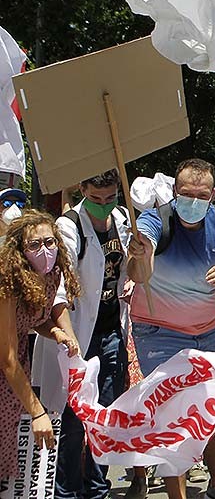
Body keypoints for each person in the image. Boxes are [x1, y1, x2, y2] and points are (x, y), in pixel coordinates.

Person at [126, 158, 215, 499]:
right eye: (186, 194)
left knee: (214, 410)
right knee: (176, 417)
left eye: (201, 195)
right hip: (159, 333)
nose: (193, 202)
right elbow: (140, 274)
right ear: (173, 192)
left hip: (209, 332)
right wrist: (138, 254)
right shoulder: (154, 221)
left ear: (213, 195)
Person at [28, 170, 132, 499]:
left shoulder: (122, 218)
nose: (103, 205)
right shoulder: (69, 226)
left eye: (110, 198)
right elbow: (59, 287)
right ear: (83, 188)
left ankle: (98, 489)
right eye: (96, 198)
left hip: (111, 329)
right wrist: (70, 342)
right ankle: (68, 492)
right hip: (78, 335)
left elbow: (130, 271)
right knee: (72, 422)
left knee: (103, 416)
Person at [0, 211, 81, 479]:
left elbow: (31, 320)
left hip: (14, 373)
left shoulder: (52, 274)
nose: (44, 250)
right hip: (9, 365)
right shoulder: (7, 281)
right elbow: (8, 358)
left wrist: (56, 332)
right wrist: (38, 413)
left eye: (49, 242)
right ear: (20, 251)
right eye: (34, 245)